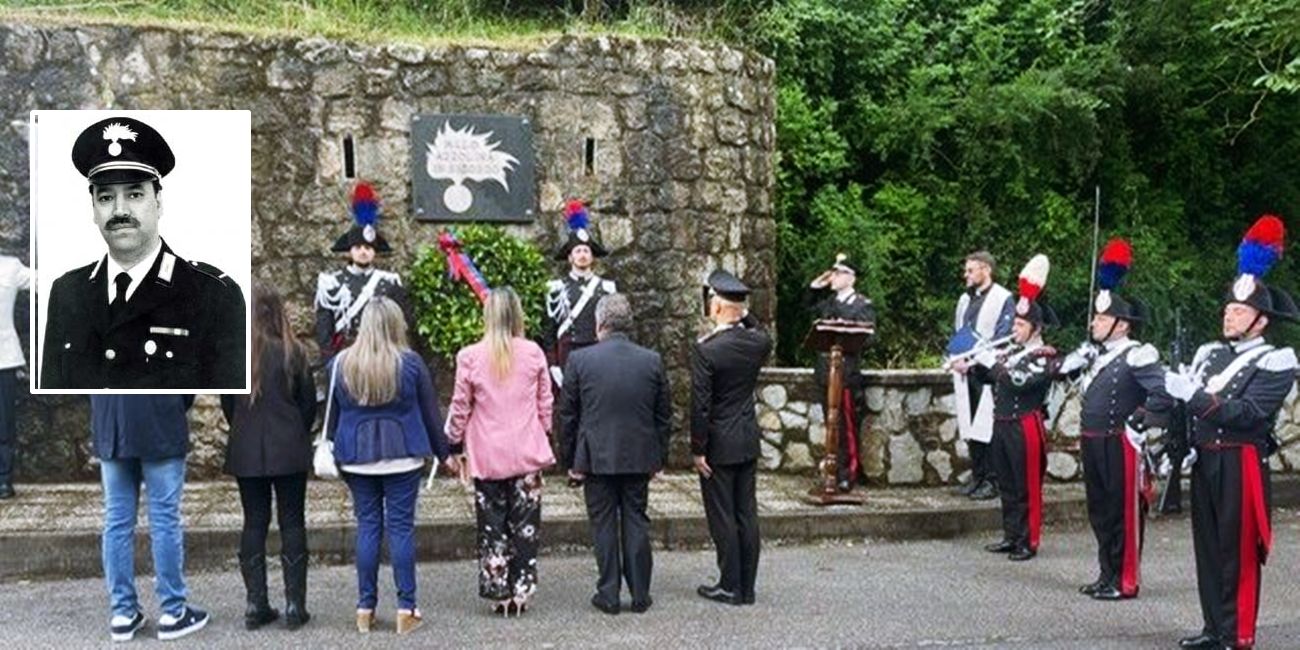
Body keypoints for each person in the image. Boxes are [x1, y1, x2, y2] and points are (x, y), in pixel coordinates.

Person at [1166, 215, 1297, 650]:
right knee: (1208, 548)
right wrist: (1180, 442)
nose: (1229, 314)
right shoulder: (1209, 355)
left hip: (1240, 461)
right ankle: (1213, 628)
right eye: (1228, 307)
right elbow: (1191, 410)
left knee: (1237, 552)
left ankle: (1237, 633)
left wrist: (1195, 398)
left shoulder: (1276, 361)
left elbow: (1250, 413)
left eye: (1239, 310)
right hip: (1206, 459)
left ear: (1261, 321)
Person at [40, 115, 246, 389]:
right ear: (93, 209)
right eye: (105, 197)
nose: (120, 210)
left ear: (159, 202)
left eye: (134, 194)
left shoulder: (213, 294)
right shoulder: (67, 292)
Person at [326, 296, 457, 635]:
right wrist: (445, 455)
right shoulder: (410, 363)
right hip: (403, 456)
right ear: (397, 324)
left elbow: (331, 415)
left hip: (355, 458)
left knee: (367, 527)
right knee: (400, 529)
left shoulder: (340, 363)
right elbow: (431, 414)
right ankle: (406, 608)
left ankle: (364, 608)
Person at [1057, 239, 1172, 600]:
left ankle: (1125, 581)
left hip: (1121, 443)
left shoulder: (1138, 355)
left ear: (1121, 325)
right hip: (1093, 441)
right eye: (1095, 317)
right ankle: (1106, 573)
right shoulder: (1095, 356)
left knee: (1123, 513)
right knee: (1101, 511)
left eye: (1102, 318)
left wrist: (1139, 419)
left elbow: (1162, 395)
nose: (1094, 322)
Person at [445, 287, 556, 617]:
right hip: (527, 449)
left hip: (488, 452)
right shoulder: (534, 352)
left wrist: (452, 444)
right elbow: (545, 402)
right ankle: (522, 590)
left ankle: (499, 592)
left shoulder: (469, 356)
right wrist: (544, 431)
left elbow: (460, 406)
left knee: (492, 526)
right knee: (526, 526)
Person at [561, 294, 672, 615]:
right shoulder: (651, 360)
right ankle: (640, 593)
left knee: (603, 523)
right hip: (639, 456)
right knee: (636, 519)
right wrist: (658, 458)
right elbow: (663, 415)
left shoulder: (580, 361)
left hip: (596, 457)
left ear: (599, 324)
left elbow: (568, 415)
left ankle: (608, 592)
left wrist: (571, 462)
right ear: (629, 323)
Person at [220, 283, 317, 630]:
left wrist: (245, 431)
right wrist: (294, 432)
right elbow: (308, 406)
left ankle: (255, 603)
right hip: (288, 446)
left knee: (254, 522)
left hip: (247, 450)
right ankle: (294, 605)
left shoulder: (235, 355)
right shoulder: (294, 352)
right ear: (279, 312)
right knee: (292, 521)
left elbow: (228, 406)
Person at [954, 255, 1059, 562]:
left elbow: (1018, 381)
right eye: (1014, 322)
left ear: (1035, 328)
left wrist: (992, 363)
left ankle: (1029, 540)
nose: (1015, 329)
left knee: (1027, 485)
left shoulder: (1043, 354)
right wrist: (972, 364)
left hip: (1025, 423)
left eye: (1020, 324)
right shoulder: (1012, 350)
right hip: (1002, 421)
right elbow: (989, 376)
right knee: (1008, 483)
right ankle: (1011, 535)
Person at [93, 394, 209, 642]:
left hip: (111, 423)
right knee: (164, 519)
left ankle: (123, 612)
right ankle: (173, 610)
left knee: (117, 521)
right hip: (160, 421)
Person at [691, 269, 772, 605]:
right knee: (746, 514)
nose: (709, 306)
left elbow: (701, 404)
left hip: (719, 444)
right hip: (746, 437)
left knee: (723, 515)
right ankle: (747, 587)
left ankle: (729, 584)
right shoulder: (758, 343)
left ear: (717, 308)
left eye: (713, 301)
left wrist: (698, 449)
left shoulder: (707, 349)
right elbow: (760, 330)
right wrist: (742, 310)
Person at [314, 181, 409, 363]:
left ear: (375, 251)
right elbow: (324, 330)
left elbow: (401, 325)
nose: (363, 252)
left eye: (368, 247)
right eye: (358, 247)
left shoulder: (390, 282)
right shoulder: (332, 283)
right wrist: (331, 363)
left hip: (382, 356)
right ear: (350, 250)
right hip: (347, 356)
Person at [947, 250, 1015, 500]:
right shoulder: (966, 300)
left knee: (987, 427)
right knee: (970, 426)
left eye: (970, 270)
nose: (966, 275)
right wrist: (956, 358)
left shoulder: (1003, 298)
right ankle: (978, 474)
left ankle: (992, 480)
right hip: (966, 371)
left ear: (986, 269)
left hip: (988, 371)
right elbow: (958, 332)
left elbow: (1002, 336)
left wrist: (973, 359)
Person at [808, 253, 875, 492]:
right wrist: (817, 286)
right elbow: (808, 308)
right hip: (826, 371)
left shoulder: (862, 305)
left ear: (850, 277)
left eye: (837, 273)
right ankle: (832, 471)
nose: (833, 278)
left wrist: (841, 327)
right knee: (830, 424)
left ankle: (848, 472)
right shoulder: (828, 302)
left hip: (845, 373)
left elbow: (867, 339)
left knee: (845, 426)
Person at [542, 199, 616, 388]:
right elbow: (549, 332)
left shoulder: (606, 288)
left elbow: (614, 329)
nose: (582, 255)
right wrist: (552, 365)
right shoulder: (555, 288)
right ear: (570, 257)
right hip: (568, 355)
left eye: (586, 251)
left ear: (592, 256)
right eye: (578, 251)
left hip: (597, 354)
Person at [0, 253, 31, 499]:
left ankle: (3, 480)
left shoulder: (10, 266)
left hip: (4, 358)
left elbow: (42, 282)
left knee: (4, 423)